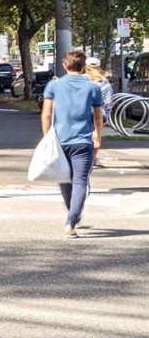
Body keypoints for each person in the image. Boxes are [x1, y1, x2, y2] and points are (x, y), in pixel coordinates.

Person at [42, 47, 106, 239]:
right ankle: (71, 222)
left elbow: (46, 114)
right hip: (83, 141)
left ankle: (73, 214)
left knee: (64, 179)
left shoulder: (54, 85)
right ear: (83, 66)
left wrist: (46, 137)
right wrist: (97, 136)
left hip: (60, 140)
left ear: (64, 65)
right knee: (80, 182)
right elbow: (98, 116)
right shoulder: (93, 88)